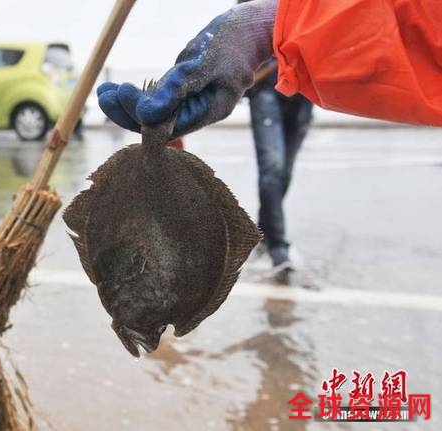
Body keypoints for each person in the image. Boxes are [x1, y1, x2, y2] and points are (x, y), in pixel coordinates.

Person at [97, 0, 442, 139]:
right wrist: (268, 26)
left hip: (296, 86)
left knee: (280, 170)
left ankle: (277, 246)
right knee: (272, 172)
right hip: (279, 81)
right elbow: (414, 20)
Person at [246, 58, 313, 272]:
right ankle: (277, 248)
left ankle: (264, 233)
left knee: (284, 172)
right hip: (267, 88)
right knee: (272, 168)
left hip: (304, 92)